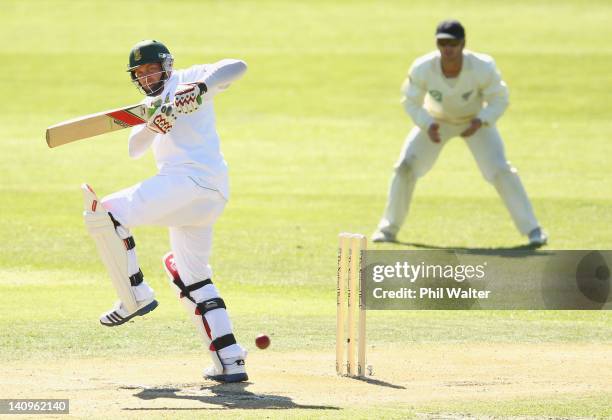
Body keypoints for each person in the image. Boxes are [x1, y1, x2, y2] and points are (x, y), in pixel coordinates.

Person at [81, 39, 248, 382]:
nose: (146, 76)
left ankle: (136, 294)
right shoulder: (151, 103)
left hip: (190, 181)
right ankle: (230, 360)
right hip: (205, 196)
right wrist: (152, 127)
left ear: (167, 65)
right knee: (191, 276)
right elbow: (134, 150)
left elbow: (238, 65)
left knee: (106, 213)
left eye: (151, 68)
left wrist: (199, 87)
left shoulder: (190, 77)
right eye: (139, 73)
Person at [372, 20, 547, 247]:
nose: (448, 49)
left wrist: (482, 120)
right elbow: (410, 101)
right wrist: (427, 123)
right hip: (436, 122)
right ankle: (387, 229)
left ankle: (533, 230)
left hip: (474, 123)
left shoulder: (483, 66)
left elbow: (500, 98)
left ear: (463, 44)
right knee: (405, 167)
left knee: (500, 169)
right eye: (442, 43)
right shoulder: (423, 67)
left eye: (453, 43)